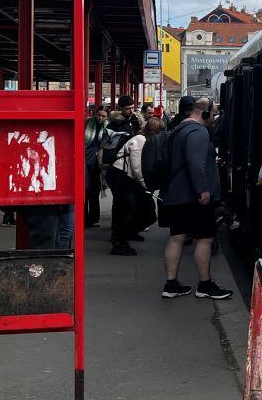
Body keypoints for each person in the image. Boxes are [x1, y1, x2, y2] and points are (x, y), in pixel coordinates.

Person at [158, 97, 232, 300]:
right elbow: (195, 164)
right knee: (205, 239)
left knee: (176, 238)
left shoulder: (178, 130)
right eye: (213, 113)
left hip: (174, 194)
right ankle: (205, 285)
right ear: (205, 113)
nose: (214, 117)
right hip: (194, 197)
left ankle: (171, 284)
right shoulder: (198, 132)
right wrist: (203, 190)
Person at [107, 117, 164, 254]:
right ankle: (119, 242)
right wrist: (144, 185)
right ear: (155, 131)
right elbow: (136, 166)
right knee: (128, 208)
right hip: (120, 175)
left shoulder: (143, 139)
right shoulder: (140, 140)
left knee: (130, 208)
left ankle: (128, 233)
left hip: (123, 176)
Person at [84, 105, 109, 227]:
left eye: (103, 116)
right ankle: (84, 218)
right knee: (85, 190)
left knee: (94, 190)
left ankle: (94, 218)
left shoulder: (107, 127)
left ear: (106, 117)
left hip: (98, 160)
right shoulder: (87, 122)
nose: (100, 118)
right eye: (98, 115)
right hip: (86, 157)